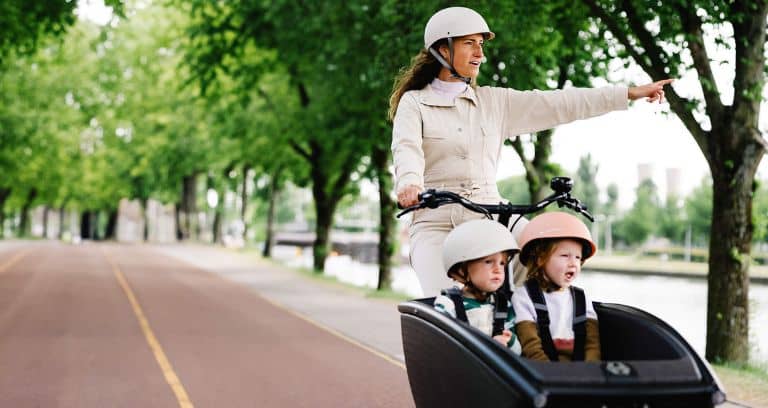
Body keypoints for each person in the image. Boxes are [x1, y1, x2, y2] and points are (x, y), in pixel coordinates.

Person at [389, 6, 673, 297]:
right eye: (469, 43)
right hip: (436, 220)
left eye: (482, 44)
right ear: (443, 50)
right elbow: (406, 148)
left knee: (544, 256)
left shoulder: (495, 102)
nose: (480, 53)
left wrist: (628, 93)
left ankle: (547, 331)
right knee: (446, 300)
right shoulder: (415, 103)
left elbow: (561, 102)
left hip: (491, 213)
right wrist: (410, 183)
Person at [512, 211, 600, 362]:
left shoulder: (582, 299)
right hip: (545, 373)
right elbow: (531, 347)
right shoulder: (523, 297)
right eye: (565, 256)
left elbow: (592, 346)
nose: (573, 263)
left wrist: (589, 372)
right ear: (540, 259)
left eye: (578, 257)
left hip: (581, 373)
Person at [433, 219, 521, 353]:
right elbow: (440, 347)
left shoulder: (503, 305)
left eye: (502, 263)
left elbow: (518, 352)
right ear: (462, 270)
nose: (498, 269)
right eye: (488, 261)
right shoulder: (448, 304)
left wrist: (509, 341)